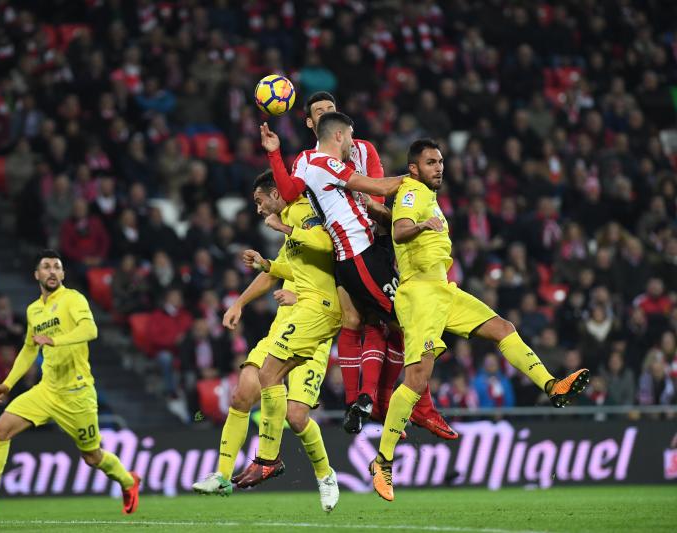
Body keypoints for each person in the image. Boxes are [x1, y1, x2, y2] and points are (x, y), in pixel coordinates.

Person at [370, 139, 591, 502]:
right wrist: (421, 224)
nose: (439, 167)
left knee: (503, 328)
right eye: (430, 162)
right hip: (421, 294)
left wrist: (378, 209)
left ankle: (552, 386)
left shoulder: (422, 194)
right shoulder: (412, 191)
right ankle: (382, 461)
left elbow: (393, 222)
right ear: (414, 168)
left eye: (440, 162)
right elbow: (400, 230)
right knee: (417, 378)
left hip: (443, 290)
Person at [261, 95, 455, 439]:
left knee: (386, 324)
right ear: (338, 136)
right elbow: (378, 186)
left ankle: (373, 401)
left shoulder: (305, 160)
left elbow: (289, 192)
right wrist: (415, 179)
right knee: (408, 322)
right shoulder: (327, 162)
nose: (352, 142)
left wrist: (274, 153)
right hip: (360, 253)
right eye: (348, 136)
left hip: (356, 254)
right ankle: (414, 406)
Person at [193, 171, 339, 513]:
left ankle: (325, 475)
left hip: (313, 324)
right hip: (283, 326)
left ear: (276, 194)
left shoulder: (310, 217)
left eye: (260, 201)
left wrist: (300, 294)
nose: (258, 210)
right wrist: (240, 302)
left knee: (297, 416)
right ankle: (223, 475)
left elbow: (329, 263)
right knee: (242, 393)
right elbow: (278, 270)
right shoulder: (291, 227)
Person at [0, 250, 139, 514]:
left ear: (63, 274)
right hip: (47, 390)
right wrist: (7, 382)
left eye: (57, 267)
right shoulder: (33, 310)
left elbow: (91, 330)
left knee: (92, 456)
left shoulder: (73, 299)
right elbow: (30, 349)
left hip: (77, 393)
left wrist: (56, 340)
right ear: (37, 275)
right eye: (46, 267)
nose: (52, 271)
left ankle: (129, 481)